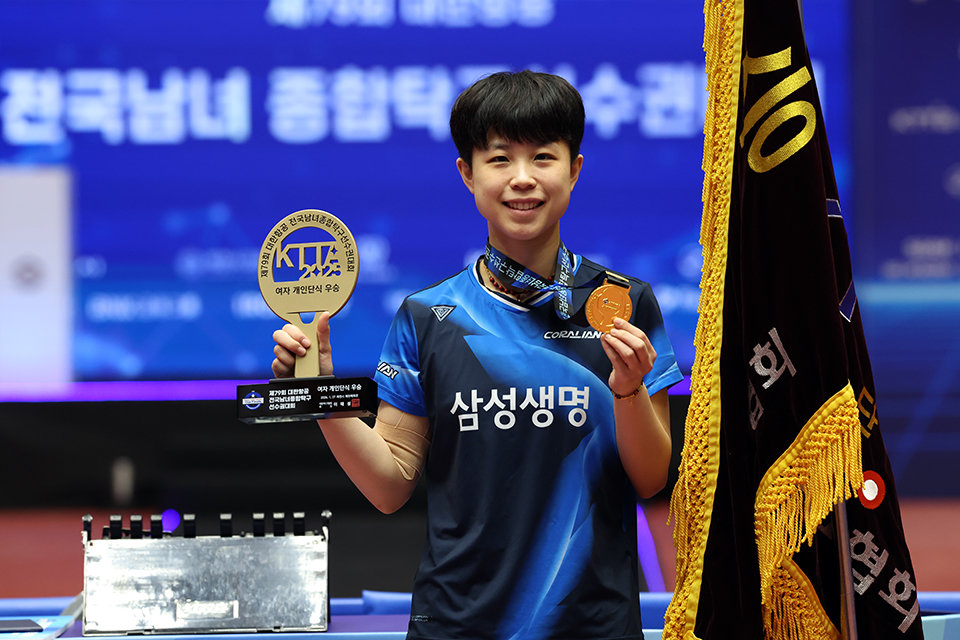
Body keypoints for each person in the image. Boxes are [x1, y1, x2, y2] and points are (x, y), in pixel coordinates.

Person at [272, 70, 684, 640]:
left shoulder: (623, 303)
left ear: (574, 170)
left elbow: (651, 478)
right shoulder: (427, 316)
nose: (522, 178)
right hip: (456, 625)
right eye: (499, 159)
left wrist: (629, 389)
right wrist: (320, 391)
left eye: (543, 157)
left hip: (591, 626)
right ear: (467, 174)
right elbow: (390, 485)